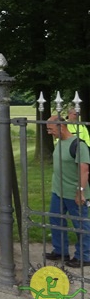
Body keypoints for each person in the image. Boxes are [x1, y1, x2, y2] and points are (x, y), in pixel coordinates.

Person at [45, 115, 90, 268]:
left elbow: (84, 170)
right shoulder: (59, 143)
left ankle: (84, 256)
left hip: (74, 193)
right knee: (56, 221)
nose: (49, 132)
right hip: (58, 191)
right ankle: (60, 251)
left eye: (50, 129)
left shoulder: (78, 145)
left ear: (61, 127)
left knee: (81, 225)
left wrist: (80, 191)